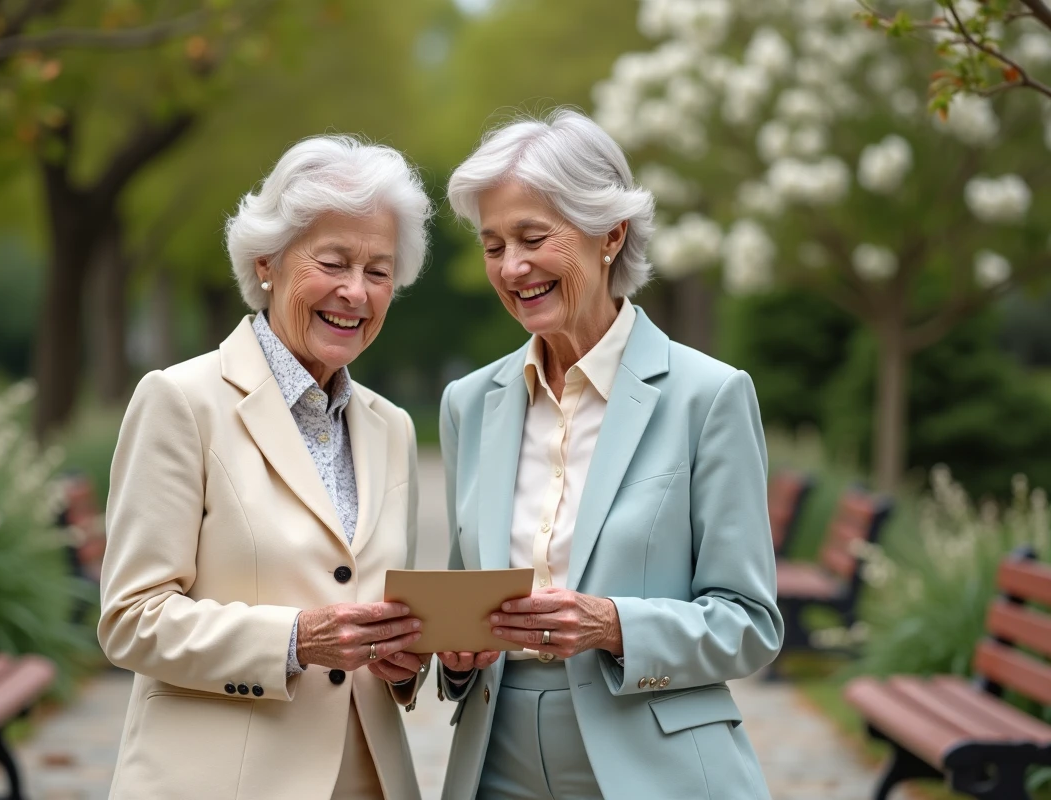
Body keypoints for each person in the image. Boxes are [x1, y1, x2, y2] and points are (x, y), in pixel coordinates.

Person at [435, 109, 784, 800]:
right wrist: (453, 655)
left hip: (657, 768)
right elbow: (462, 599)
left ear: (610, 234)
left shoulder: (707, 395)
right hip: (494, 763)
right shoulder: (468, 404)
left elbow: (751, 623)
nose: (513, 267)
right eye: (493, 244)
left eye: (533, 238)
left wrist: (614, 625)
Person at [98, 135, 433, 799]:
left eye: (379, 270)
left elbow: (378, 610)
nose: (355, 293)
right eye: (333, 262)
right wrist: (294, 639)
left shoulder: (392, 427)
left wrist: (405, 663)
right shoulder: (182, 401)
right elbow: (130, 619)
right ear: (266, 264)